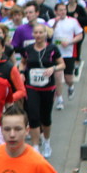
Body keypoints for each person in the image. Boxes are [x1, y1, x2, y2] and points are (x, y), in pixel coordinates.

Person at [21, 22, 64, 156]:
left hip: (48, 88)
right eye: (36, 33)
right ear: (33, 34)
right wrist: (21, 72)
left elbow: (62, 64)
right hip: (32, 87)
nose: (38, 35)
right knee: (33, 116)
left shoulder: (52, 49)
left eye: (41, 32)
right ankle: (35, 146)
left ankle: (46, 141)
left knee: (45, 117)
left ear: (45, 34)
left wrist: (53, 68)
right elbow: (23, 62)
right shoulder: (28, 49)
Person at [46, 2, 82, 108]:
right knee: (57, 76)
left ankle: (70, 87)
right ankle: (60, 99)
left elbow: (80, 35)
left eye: (64, 10)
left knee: (68, 79)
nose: (63, 12)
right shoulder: (51, 22)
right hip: (55, 53)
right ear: (55, 12)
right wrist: (54, 24)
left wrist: (70, 42)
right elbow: (48, 35)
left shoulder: (73, 21)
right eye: (60, 10)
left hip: (69, 52)